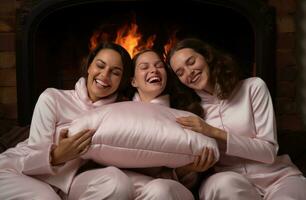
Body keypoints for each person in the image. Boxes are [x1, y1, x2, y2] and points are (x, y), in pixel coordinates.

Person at [167, 38, 306, 200]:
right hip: (230, 182)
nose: (189, 72)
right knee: (222, 185)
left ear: (206, 56)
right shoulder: (190, 114)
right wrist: (192, 168)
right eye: (180, 72)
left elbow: (268, 152)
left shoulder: (253, 88)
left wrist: (212, 131)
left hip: (277, 178)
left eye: (191, 62)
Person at [0, 42, 135, 199]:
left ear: (122, 80)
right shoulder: (52, 98)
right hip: (19, 170)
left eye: (115, 72)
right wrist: (58, 155)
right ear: (89, 67)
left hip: (67, 184)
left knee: (118, 183)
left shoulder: (120, 114)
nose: (105, 75)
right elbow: (32, 157)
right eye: (100, 65)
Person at [124, 49, 215, 200]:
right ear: (133, 81)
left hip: (171, 190)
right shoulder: (118, 113)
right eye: (144, 67)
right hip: (127, 187)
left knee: (161, 190)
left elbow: (191, 182)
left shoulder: (185, 115)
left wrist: (187, 169)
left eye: (159, 66)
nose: (154, 70)